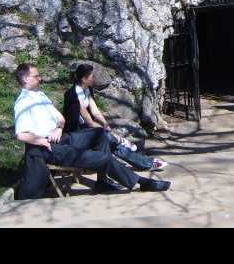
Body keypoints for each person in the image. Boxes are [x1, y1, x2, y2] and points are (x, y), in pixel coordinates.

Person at [13, 63, 171, 199]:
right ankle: (141, 182)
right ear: (26, 78)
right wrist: (41, 140)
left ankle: (102, 182)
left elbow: (61, 119)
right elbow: (21, 135)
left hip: (61, 137)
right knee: (102, 157)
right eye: (36, 76)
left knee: (101, 134)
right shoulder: (23, 102)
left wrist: (58, 128)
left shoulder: (40, 96)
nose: (40, 78)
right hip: (48, 148)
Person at [63, 63, 168, 172]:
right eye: (92, 76)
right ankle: (145, 161)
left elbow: (95, 112)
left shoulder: (87, 90)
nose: (94, 78)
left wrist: (105, 124)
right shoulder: (74, 95)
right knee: (109, 139)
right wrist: (107, 132)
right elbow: (89, 122)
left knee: (111, 141)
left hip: (86, 130)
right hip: (75, 134)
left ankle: (145, 161)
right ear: (84, 79)